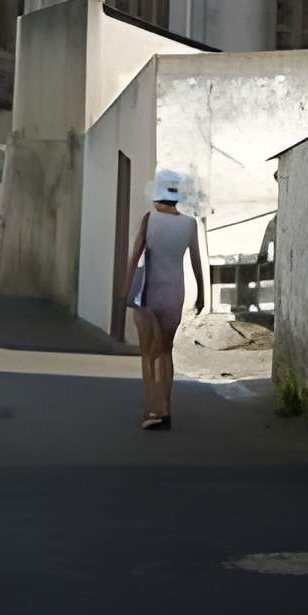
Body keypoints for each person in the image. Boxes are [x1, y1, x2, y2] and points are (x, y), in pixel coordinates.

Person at [124, 169, 205, 431]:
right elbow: (195, 261)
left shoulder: (149, 220)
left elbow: (135, 257)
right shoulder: (189, 224)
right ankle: (166, 410)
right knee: (166, 351)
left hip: (149, 294)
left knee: (149, 354)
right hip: (174, 293)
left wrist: (125, 291)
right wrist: (202, 294)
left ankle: (152, 410)